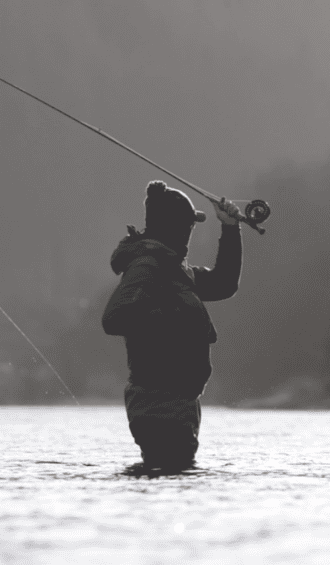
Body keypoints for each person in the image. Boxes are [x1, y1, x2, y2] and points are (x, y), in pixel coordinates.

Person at [101, 180, 243, 473]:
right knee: (171, 476)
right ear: (176, 227)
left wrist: (230, 229)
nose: (190, 233)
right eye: (189, 226)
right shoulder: (147, 267)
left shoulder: (176, 271)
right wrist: (171, 321)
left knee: (174, 479)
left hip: (178, 404)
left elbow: (224, 283)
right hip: (157, 403)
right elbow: (114, 317)